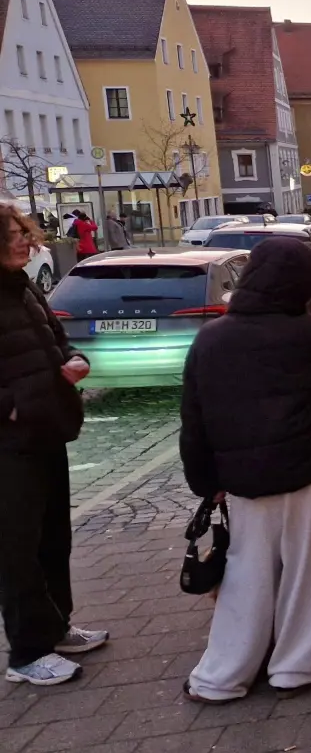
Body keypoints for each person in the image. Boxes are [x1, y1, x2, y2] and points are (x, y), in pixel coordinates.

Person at [179, 238, 311, 701]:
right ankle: (297, 667)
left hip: (244, 479)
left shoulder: (211, 338)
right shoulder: (309, 334)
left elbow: (194, 419)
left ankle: (222, 675)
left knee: (246, 573)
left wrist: (207, 483)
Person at [0, 203, 105, 686]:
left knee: (52, 538)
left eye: (24, 232)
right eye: (13, 235)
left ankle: (56, 626)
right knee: (16, 549)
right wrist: (10, 408)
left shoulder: (23, 288)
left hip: (47, 428)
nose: (25, 241)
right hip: (10, 442)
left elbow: (57, 341)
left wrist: (76, 360)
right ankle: (26, 653)